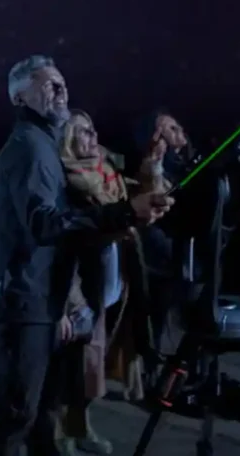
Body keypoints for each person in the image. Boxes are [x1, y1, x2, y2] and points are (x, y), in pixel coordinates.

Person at [0, 55, 173, 456]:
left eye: (61, 81)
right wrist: (124, 212)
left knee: (42, 412)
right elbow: (46, 224)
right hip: (24, 302)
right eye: (46, 84)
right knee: (17, 414)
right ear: (19, 99)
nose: (59, 88)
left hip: (42, 299)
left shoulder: (50, 145)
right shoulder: (31, 149)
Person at [53, 110, 167, 456]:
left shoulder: (105, 171)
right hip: (81, 293)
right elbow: (63, 247)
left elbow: (136, 198)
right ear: (68, 140)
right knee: (69, 368)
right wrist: (70, 302)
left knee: (92, 368)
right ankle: (59, 436)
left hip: (115, 286)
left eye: (92, 130)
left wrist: (153, 166)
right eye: (83, 132)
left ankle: (81, 426)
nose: (92, 136)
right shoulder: (65, 183)